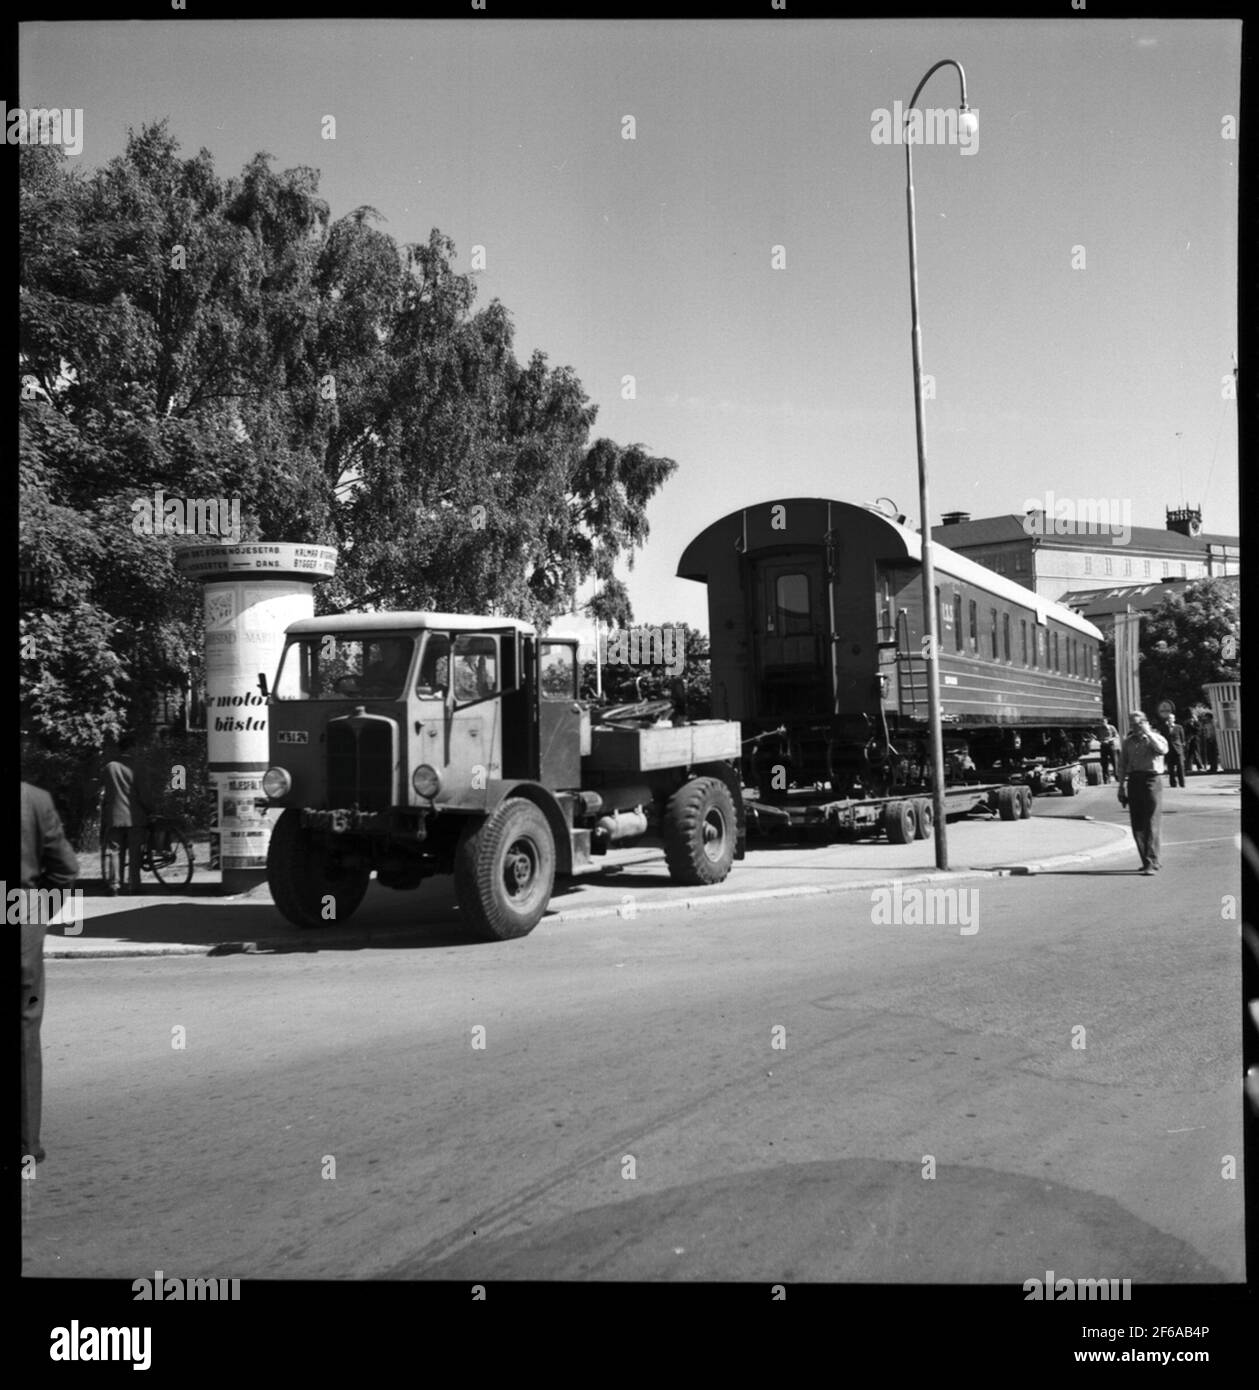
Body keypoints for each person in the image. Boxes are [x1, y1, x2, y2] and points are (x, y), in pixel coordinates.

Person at [21, 781, 81, 1166]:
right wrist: (34, 918)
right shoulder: (34, 799)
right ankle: (26, 1143)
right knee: (24, 1032)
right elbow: (65, 871)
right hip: (17, 920)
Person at [1116, 711, 1169, 875]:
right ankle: (1148, 860)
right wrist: (1121, 786)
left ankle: (1151, 861)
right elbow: (1123, 765)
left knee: (1151, 820)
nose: (1135, 727)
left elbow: (1162, 750)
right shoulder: (1128, 742)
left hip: (1152, 780)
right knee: (1137, 822)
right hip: (1134, 780)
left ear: (1146, 723)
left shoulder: (1156, 738)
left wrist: (1148, 733)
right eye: (1132, 724)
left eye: (1138, 724)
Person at [100, 735, 151, 894]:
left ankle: (114, 885)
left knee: (114, 851)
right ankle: (134, 885)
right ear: (132, 748)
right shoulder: (138, 766)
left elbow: (105, 793)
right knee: (135, 852)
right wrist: (151, 809)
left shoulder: (109, 767)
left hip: (114, 817)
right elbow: (144, 793)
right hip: (134, 816)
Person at [1160, 712, 1186, 788]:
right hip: (1169, 750)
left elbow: (1183, 739)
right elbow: (1162, 739)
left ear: (1174, 719)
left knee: (1180, 767)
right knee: (1170, 768)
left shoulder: (1179, 727)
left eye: (1171, 718)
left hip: (1178, 750)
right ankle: (1173, 783)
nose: (1170, 719)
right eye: (1168, 718)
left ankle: (1182, 783)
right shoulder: (1163, 728)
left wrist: (1181, 747)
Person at [1097, 719, 1120, 784]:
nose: (1102, 723)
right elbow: (1098, 737)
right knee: (1104, 763)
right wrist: (1101, 740)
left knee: (1114, 762)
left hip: (1111, 745)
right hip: (1103, 746)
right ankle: (1106, 779)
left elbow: (1116, 736)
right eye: (1101, 722)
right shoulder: (1100, 729)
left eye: (1103, 721)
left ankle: (1117, 777)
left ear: (1106, 721)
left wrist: (1110, 739)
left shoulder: (1111, 727)